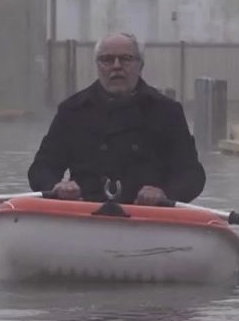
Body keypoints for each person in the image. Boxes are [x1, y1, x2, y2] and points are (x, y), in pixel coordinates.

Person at [28, 32, 205, 205]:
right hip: (84, 214)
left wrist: (165, 193)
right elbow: (42, 168)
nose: (116, 66)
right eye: (107, 60)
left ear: (140, 65)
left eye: (126, 59)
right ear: (97, 65)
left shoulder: (167, 112)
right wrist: (57, 187)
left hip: (149, 217)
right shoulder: (72, 111)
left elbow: (191, 173)